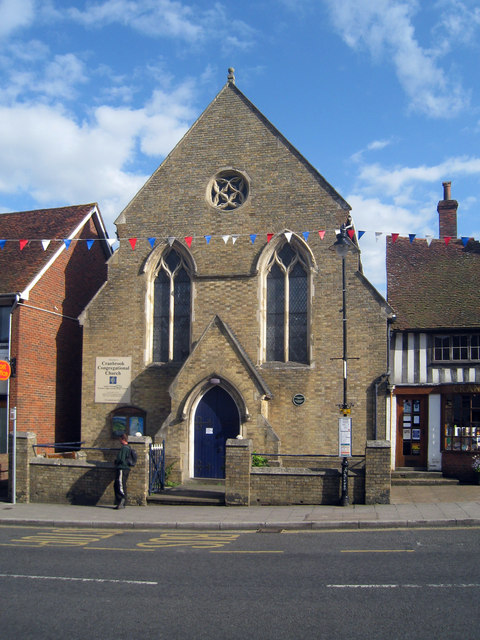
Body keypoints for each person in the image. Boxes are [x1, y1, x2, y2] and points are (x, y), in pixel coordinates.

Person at [114, 433, 131, 509]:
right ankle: (121, 501)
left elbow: (121, 458)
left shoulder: (124, 448)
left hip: (122, 468)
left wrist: (116, 461)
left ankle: (122, 500)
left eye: (120, 439)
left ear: (123, 439)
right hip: (125, 468)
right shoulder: (128, 448)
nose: (119, 441)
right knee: (118, 484)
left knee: (120, 484)